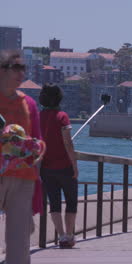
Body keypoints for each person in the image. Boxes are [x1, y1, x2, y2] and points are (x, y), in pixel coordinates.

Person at [0, 50, 43, 264]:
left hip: (23, 177)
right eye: (14, 68)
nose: (20, 74)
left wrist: (35, 148)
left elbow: (39, 140)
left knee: (19, 245)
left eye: (22, 69)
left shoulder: (30, 104)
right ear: (1, 71)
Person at [39, 84, 79, 249]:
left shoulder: (39, 116)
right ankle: (69, 236)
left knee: (54, 204)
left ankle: (61, 236)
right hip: (65, 166)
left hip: (46, 168)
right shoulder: (62, 116)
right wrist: (75, 165)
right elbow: (67, 143)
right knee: (71, 202)